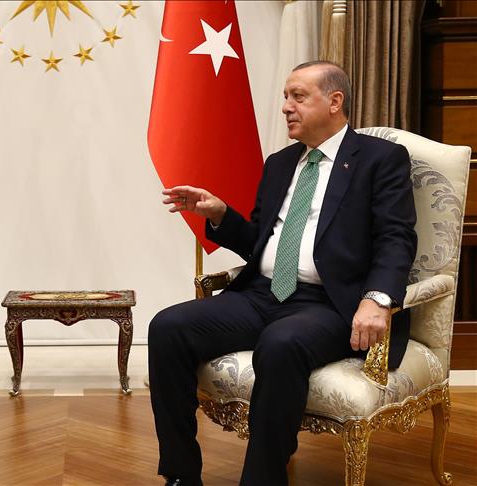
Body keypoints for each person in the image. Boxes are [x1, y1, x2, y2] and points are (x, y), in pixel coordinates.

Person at [148, 61, 417, 486]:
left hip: (329, 303)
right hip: (262, 294)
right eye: (285, 97)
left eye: (298, 97)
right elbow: (260, 243)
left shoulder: (379, 159)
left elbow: (396, 237)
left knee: (281, 342)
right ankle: (181, 475)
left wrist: (378, 298)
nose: (286, 107)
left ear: (335, 101)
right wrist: (220, 215)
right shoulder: (279, 163)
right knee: (167, 327)